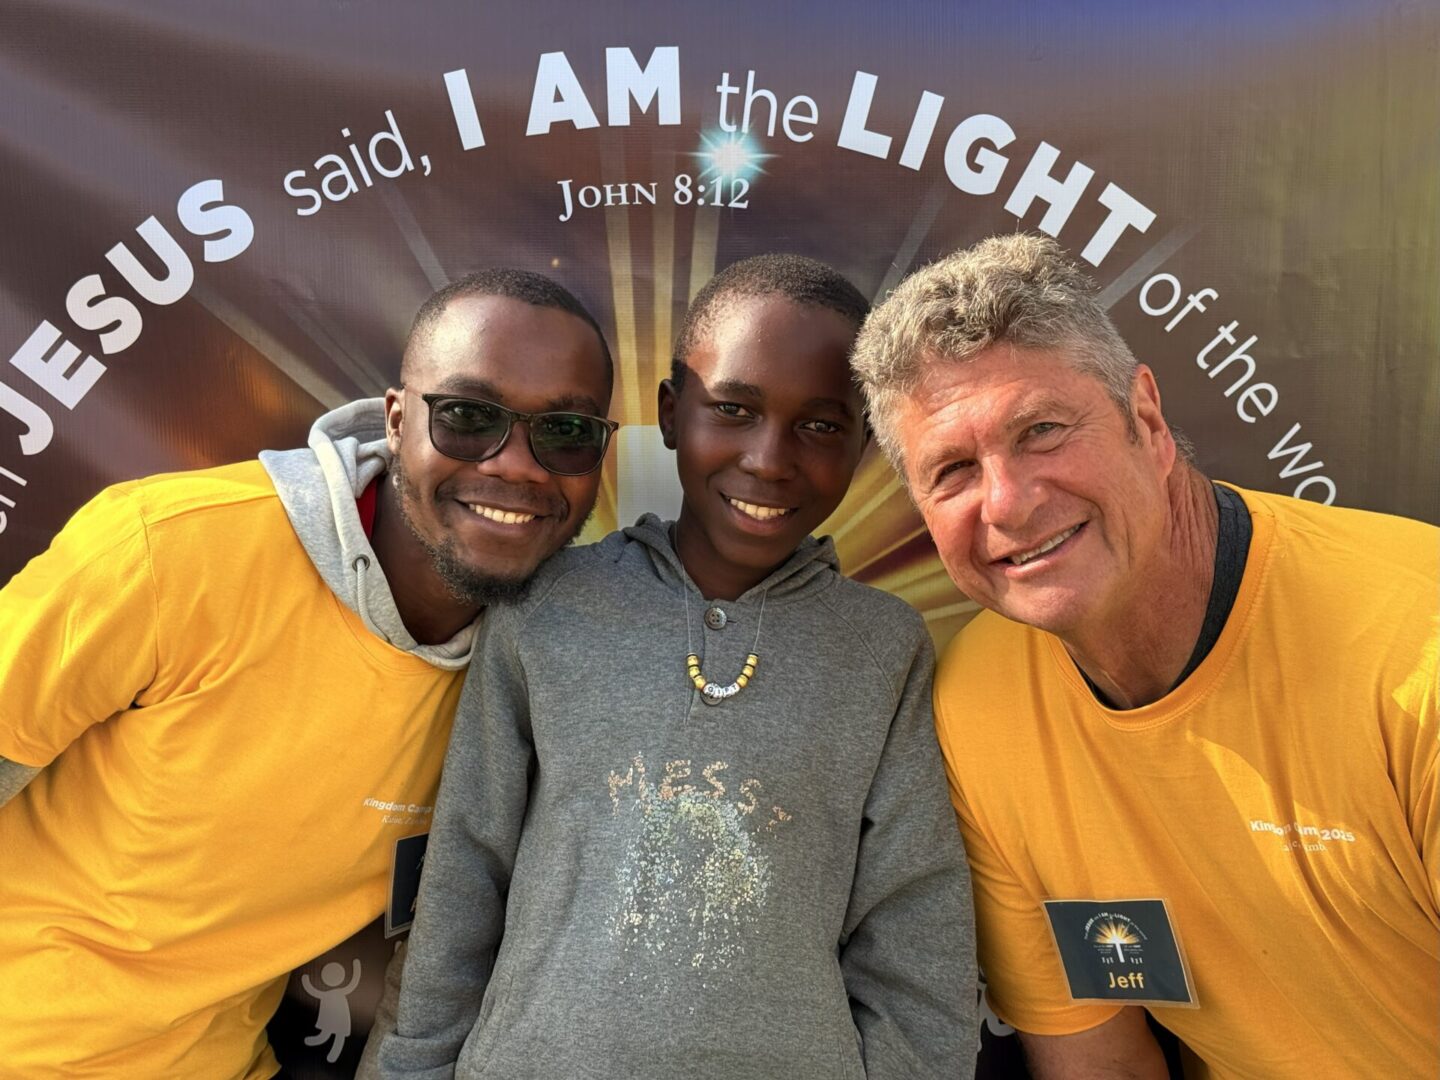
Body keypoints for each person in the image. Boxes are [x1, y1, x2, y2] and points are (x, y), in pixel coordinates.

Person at [369, 254, 977, 1078]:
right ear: (669, 411)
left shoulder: (879, 647)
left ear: (864, 440)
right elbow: (464, 879)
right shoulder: (548, 608)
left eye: (822, 424)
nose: (769, 457)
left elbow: (915, 925)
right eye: (732, 409)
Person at [0, 269, 617, 1078]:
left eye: (565, 432)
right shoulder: (171, 549)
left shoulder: (549, 664)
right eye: (469, 418)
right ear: (397, 420)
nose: (518, 466)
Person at [851, 233, 1438, 1077]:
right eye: (952, 471)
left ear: (1149, 423)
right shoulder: (977, 708)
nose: (1009, 503)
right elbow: (1103, 1065)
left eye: (1043, 430)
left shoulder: (1416, 649)